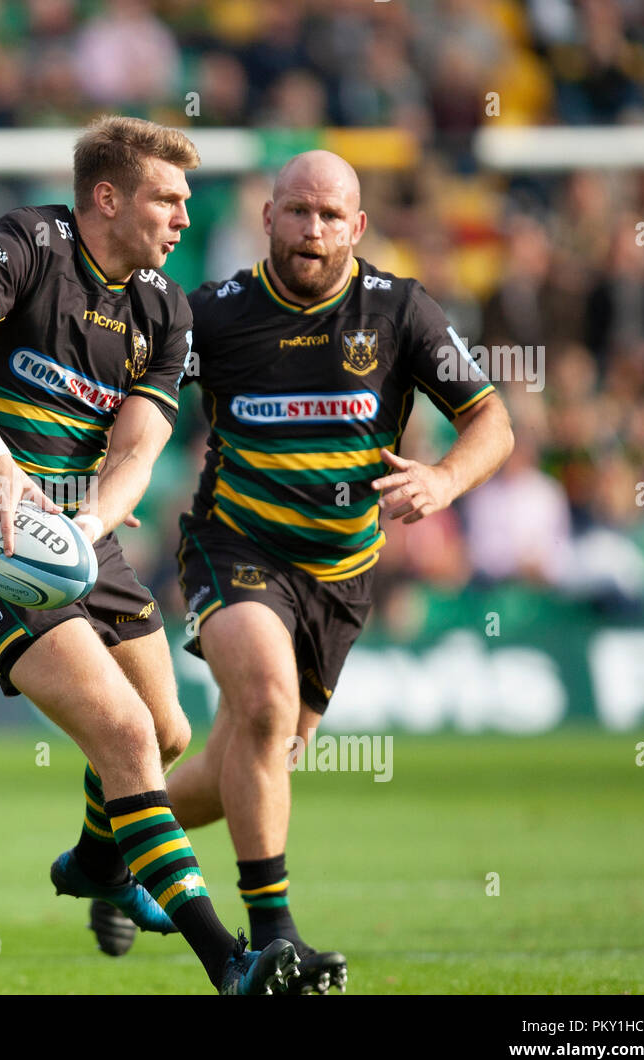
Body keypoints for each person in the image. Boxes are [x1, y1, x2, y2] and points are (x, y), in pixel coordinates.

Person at [0, 114, 300, 995]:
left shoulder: (164, 306)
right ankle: (229, 961)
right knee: (123, 735)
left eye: (189, 202)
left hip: (80, 544)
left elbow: (137, 450)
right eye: (169, 198)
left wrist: (87, 531)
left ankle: (99, 862)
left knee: (169, 731)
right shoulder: (29, 244)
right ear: (107, 199)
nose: (185, 219)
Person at [101, 149, 513, 992]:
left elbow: (492, 421)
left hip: (343, 572)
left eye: (331, 217)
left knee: (251, 759)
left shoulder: (403, 312)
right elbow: (129, 396)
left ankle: (118, 846)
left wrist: (442, 478)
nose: (312, 231)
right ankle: (272, 939)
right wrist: (109, 483)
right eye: (297, 212)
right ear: (268, 218)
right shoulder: (210, 314)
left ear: (357, 227)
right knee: (261, 701)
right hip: (235, 545)